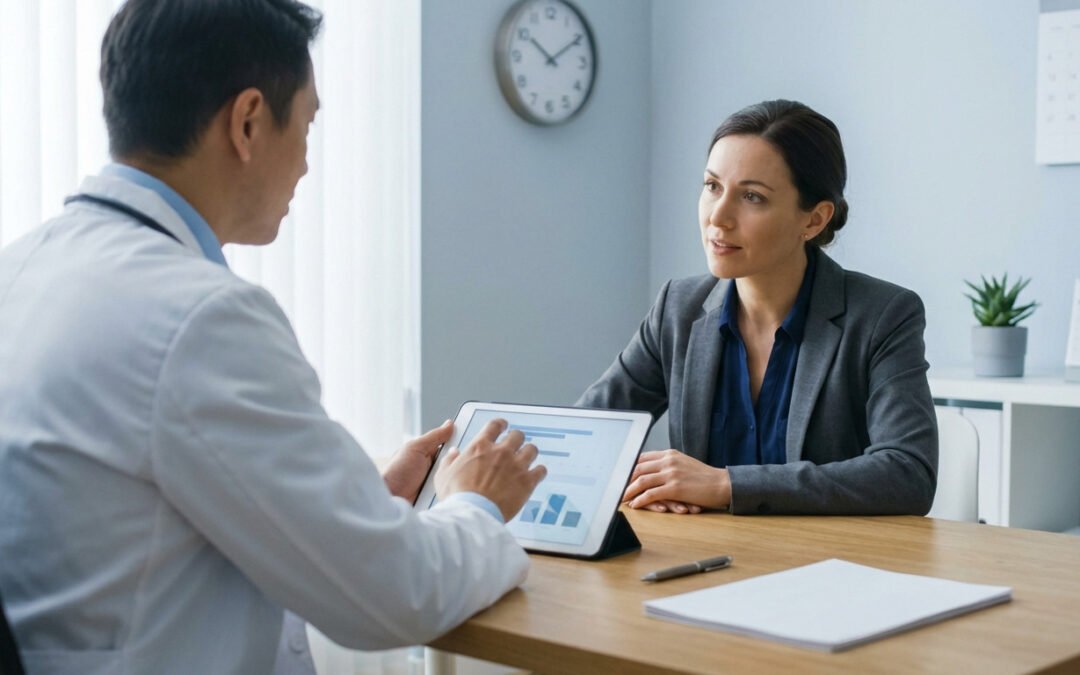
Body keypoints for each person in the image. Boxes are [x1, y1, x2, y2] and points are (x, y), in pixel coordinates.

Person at [0, 1, 546, 673]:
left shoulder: (20, 271)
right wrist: (475, 501)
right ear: (249, 121)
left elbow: (137, 511)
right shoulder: (200, 318)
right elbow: (397, 595)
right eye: (309, 124)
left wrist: (359, 503)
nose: (308, 166)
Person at [578, 100, 937, 517]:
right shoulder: (677, 309)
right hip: (705, 563)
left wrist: (724, 484)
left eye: (752, 197)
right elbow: (587, 435)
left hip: (831, 568)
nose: (719, 217)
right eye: (712, 186)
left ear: (815, 220)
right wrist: (648, 482)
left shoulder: (883, 315)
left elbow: (907, 474)